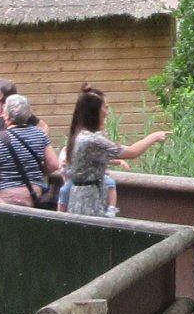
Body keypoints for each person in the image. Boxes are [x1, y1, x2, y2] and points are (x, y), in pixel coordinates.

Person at [60, 86, 170, 217]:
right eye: (105, 107)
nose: (107, 112)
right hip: (90, 202)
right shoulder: (93, 140)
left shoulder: (80, 135)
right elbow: (131, 153)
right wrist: (154, 137)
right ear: (95, 112)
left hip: (80, 199)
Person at [0, 93, 62, 207]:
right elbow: (53, 165)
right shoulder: (40, 135)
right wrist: (35, 172)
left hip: (4, 198)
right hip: (33, 196)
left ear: (6, 115)